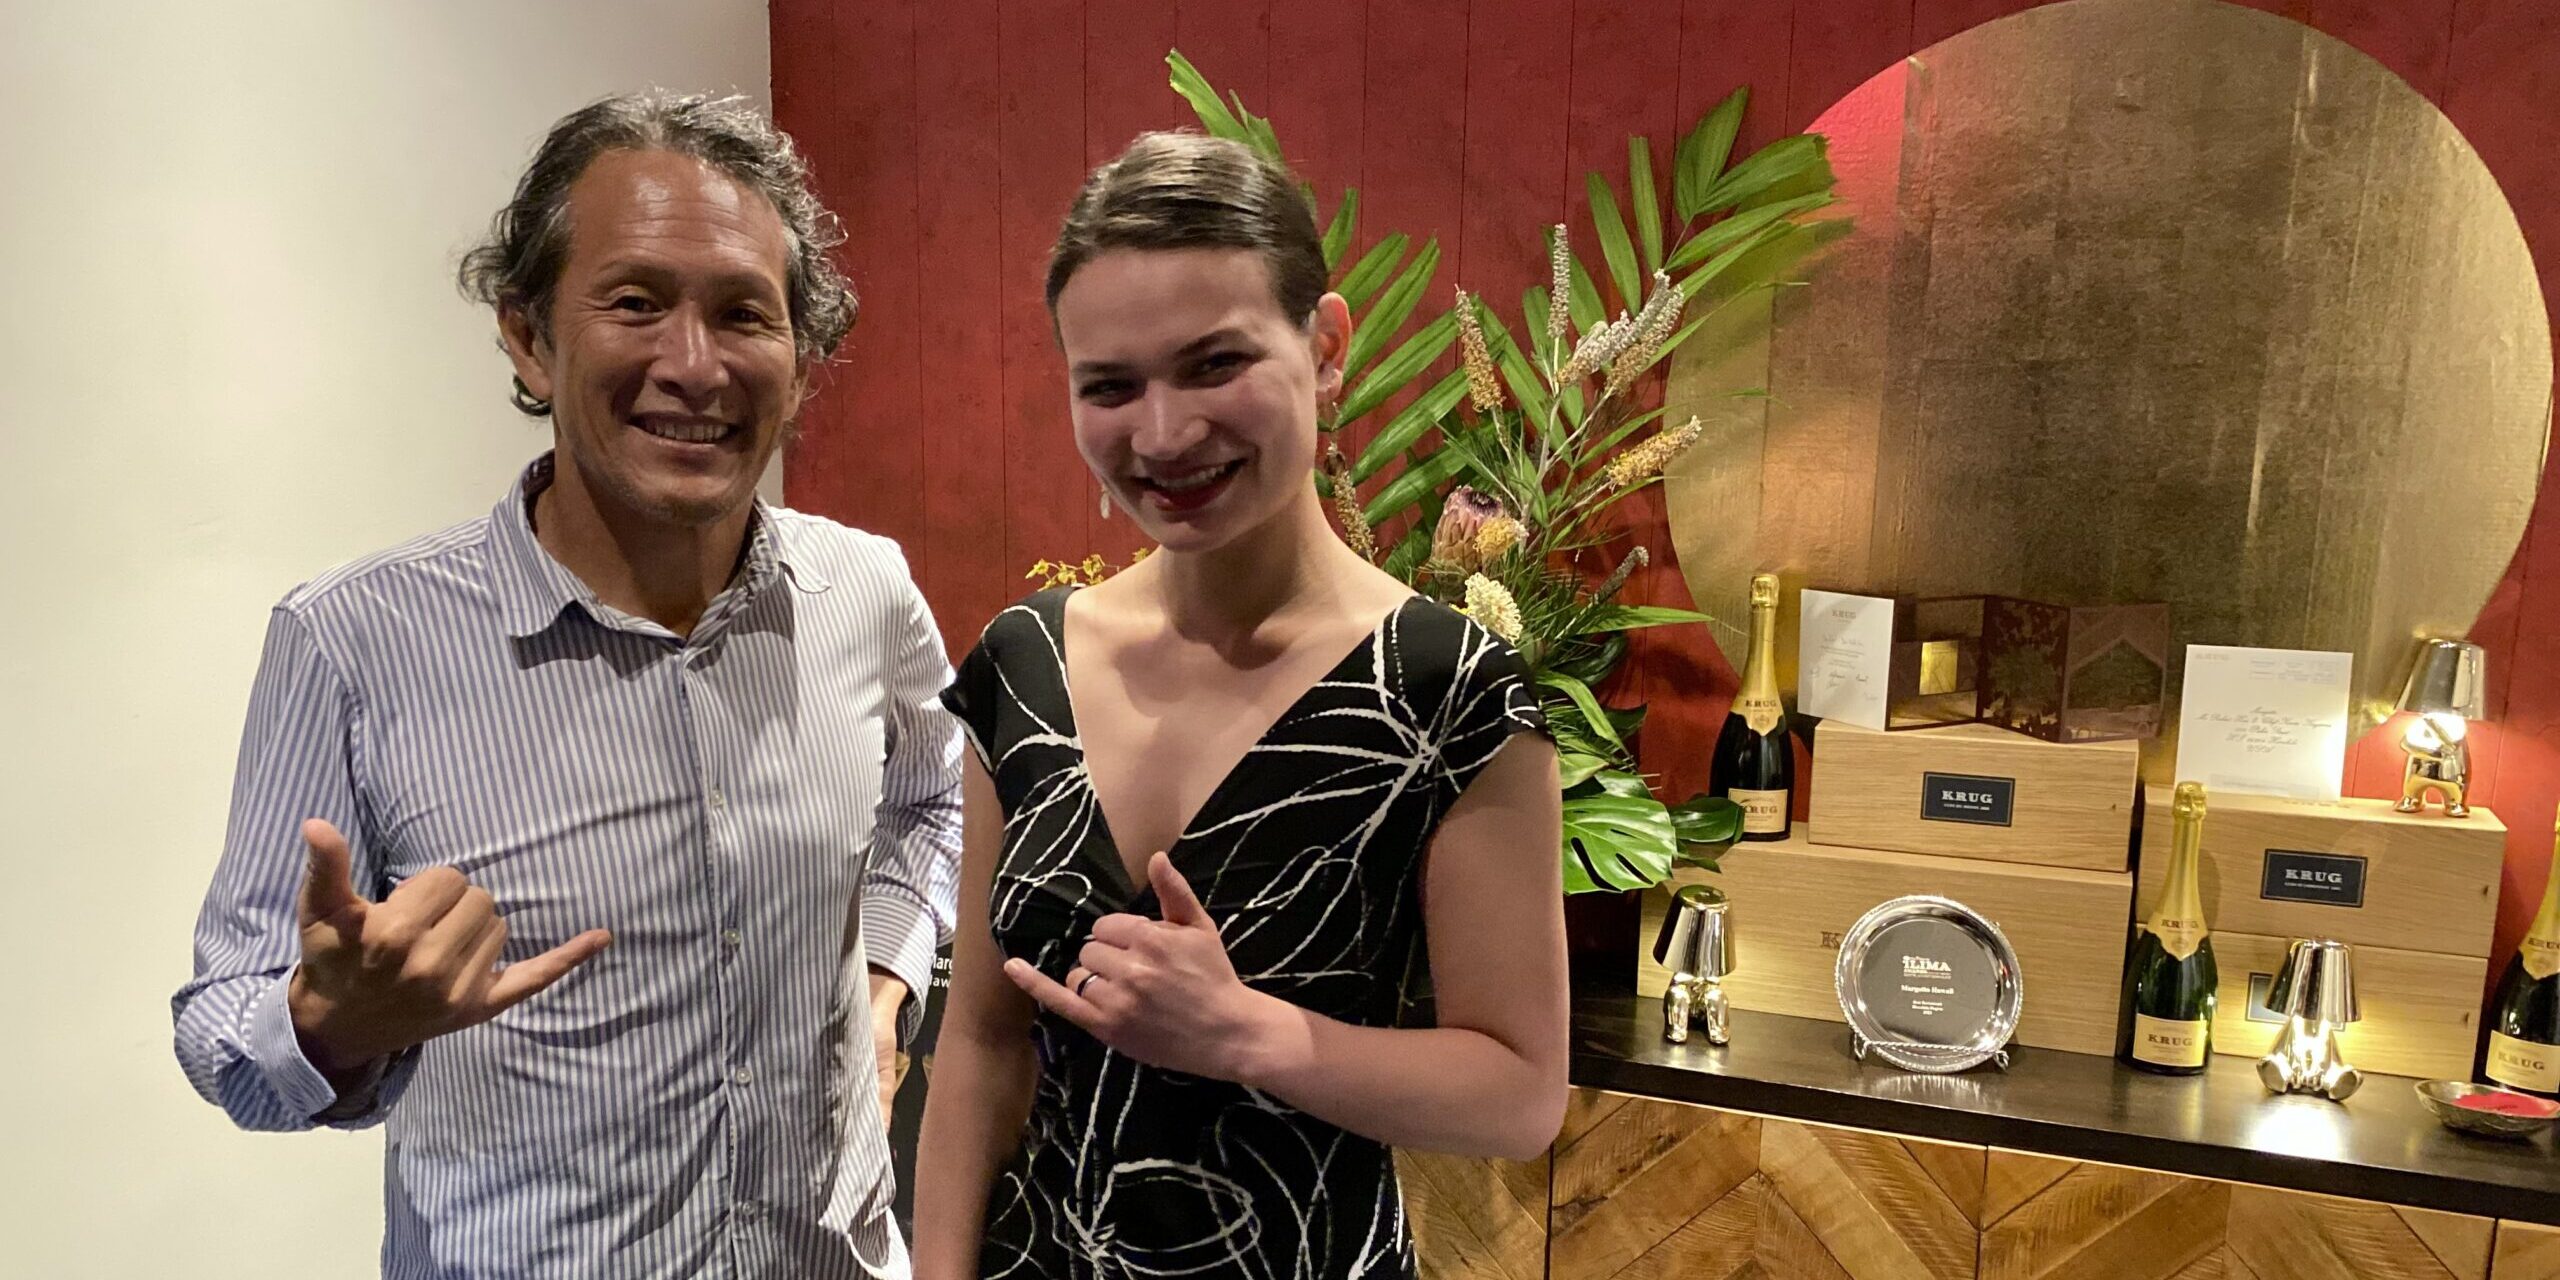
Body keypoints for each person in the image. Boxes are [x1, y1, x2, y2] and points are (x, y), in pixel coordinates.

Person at [171, 93, 963, 1279]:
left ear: (802, 362)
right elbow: (221, 1025)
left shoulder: (865, 590)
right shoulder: (350, 641)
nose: (693, 364)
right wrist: (330, 1028)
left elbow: (933, 795)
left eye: (743, 313)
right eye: (635, 302)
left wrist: (889, 978)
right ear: (529, 337)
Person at [911, 132, 1571, 1280]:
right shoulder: (1024, 664)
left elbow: (1519, 1094)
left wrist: (1246, 1032)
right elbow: (979, 1040)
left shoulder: (1449, 689)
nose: (1163, 433)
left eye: (1215, 363)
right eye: (1110, 385)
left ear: (1325, 348)